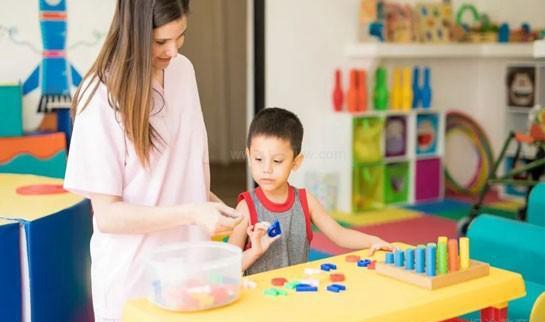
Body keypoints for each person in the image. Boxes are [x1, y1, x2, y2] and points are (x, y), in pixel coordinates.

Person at [63, 0, 241, 320]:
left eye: (181, 36)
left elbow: (182, 176)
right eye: (160, 42)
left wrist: (228, 212)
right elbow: (108, 216)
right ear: (133, 33)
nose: (172, 52)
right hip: (133, 280)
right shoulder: (101, 96)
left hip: (190, 271)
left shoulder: (183, 71)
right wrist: (192, 212)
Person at [228, 108, 395, 274]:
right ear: (249, 157)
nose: (267, 169)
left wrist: (372, 241)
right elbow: (228, 267)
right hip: (259, 297)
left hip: (298, 293)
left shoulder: (305, 201)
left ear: (296, 162)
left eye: (277, 161)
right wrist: (255, 251)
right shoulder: (246, 208)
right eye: (258, 159)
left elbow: (339, 234)